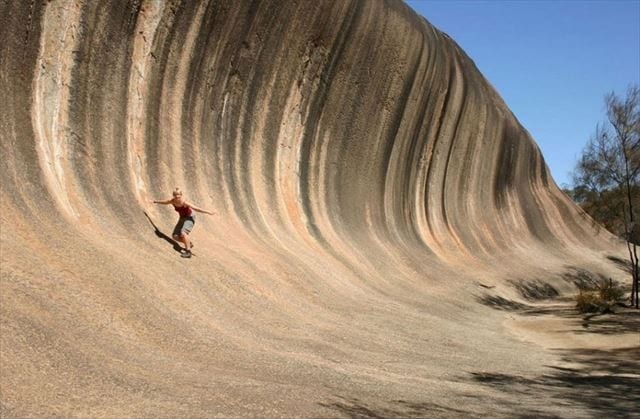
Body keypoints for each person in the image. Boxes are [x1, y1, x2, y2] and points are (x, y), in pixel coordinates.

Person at [151, 188, 214, 258]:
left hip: (190, 217)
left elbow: (196, 209)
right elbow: (165, 202)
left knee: (183, 233)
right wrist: (155, 201)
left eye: (178, 195)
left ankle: (188, 252)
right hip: (182, 218)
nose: (177, 196)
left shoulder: (184, 202)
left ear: (181, 195)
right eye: (175, 195)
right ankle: (188, 243)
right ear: (173, 195)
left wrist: (208, 212)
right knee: (175, 236)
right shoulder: (172, 201)